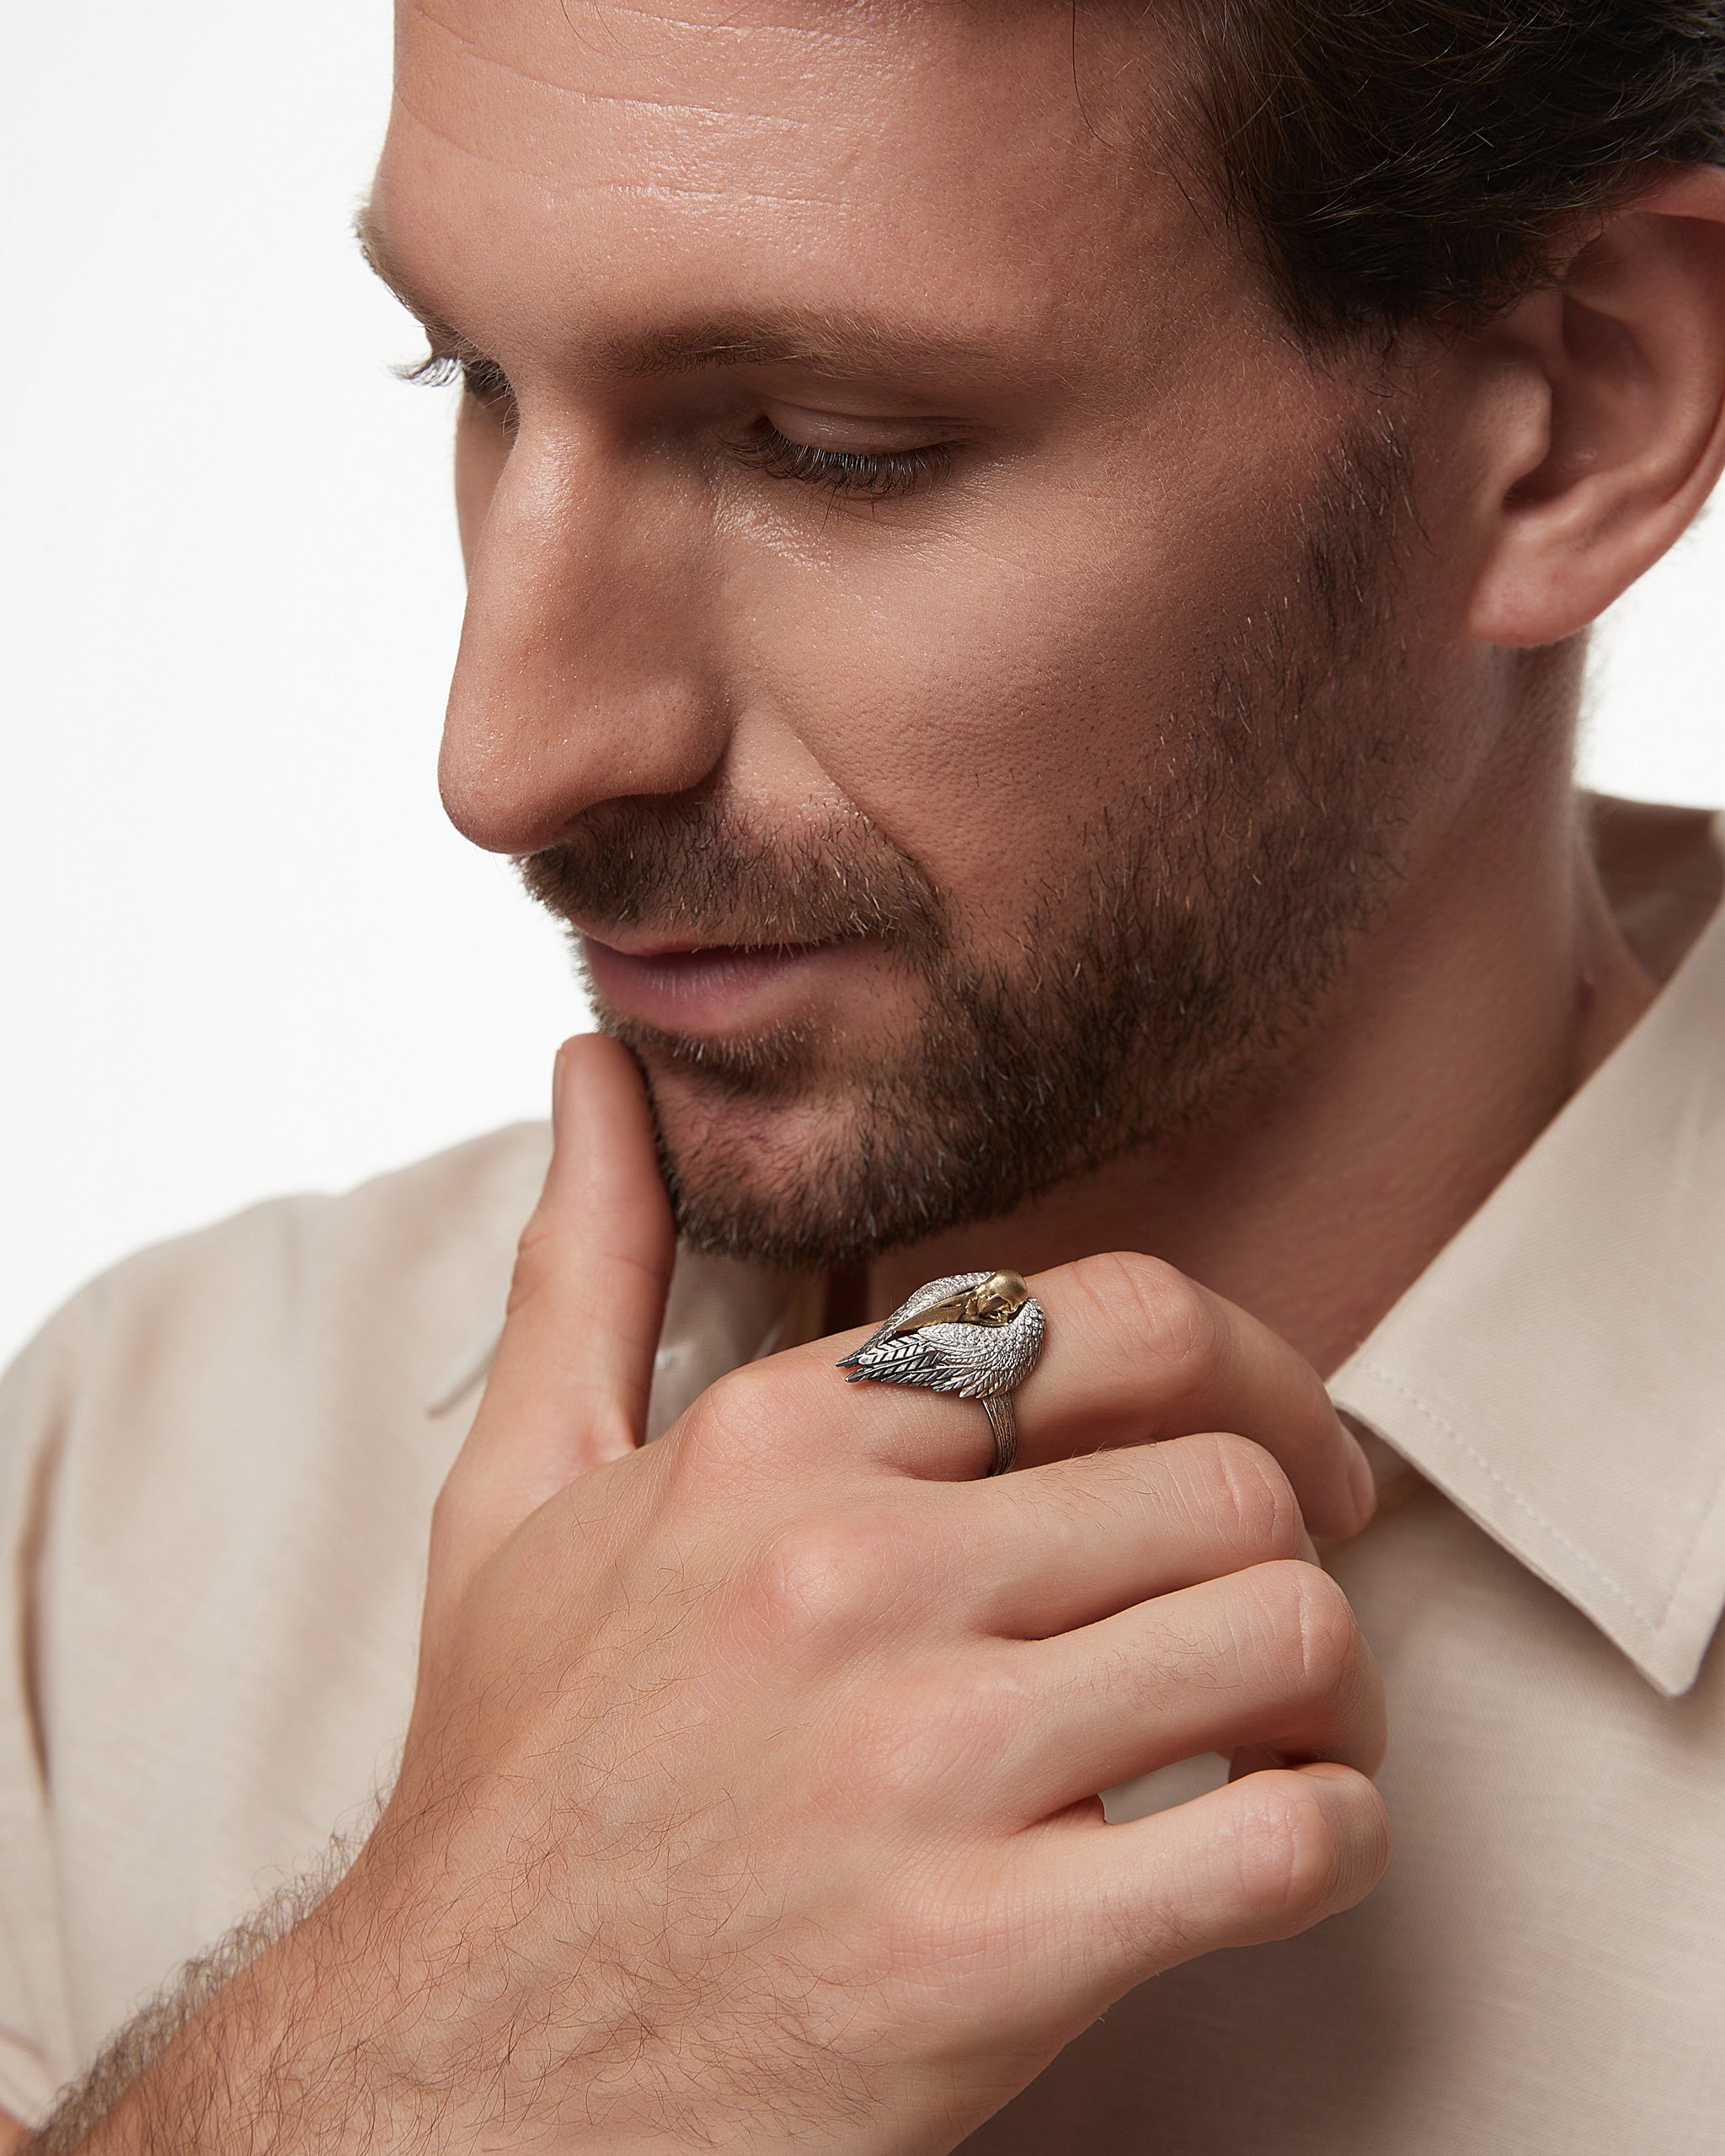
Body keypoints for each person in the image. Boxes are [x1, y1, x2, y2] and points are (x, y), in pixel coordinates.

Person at [5, 0, 1725, 2148]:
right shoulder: (132, 1492)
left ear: (1575, 414)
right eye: (478, 382)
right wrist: (425, 2056)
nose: (503, 754)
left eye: (829, 441)